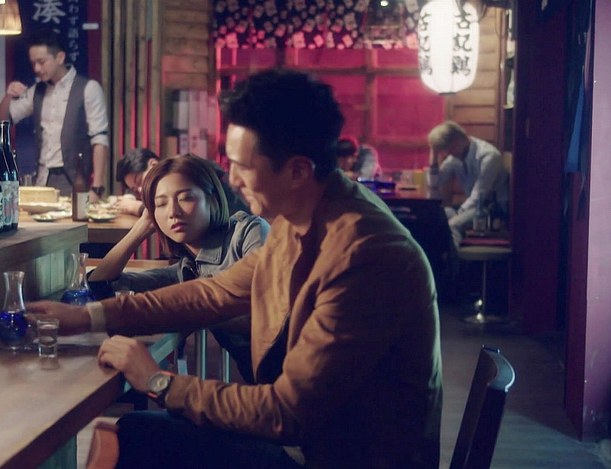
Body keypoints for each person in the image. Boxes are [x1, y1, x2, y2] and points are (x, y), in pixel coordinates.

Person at [27, 69, 442, 468]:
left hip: (334, 458)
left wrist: (159, 382)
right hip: (308, 444)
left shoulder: (365, 256)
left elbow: (286, 412)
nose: (234, 180)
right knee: (136, 432)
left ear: (297, 171)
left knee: (137, 438)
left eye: (243, 166)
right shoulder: (304, 216)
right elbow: (216, 291)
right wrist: (89, 317)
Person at [88, 154, 269, 383]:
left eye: (186, 198)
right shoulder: (185, 271)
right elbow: (99, 283)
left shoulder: (249, 232)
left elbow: (262, 314)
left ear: (212, 199)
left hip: (291, 381)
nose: (173, 212)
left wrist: (182, 311)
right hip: (261, 386)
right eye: (161, 204)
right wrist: (141, 228)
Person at [0, 32, 109, 202]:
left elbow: (99, 138)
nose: (37, 69)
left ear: (60, 57)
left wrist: (97, 187)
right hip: (42, 179)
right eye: (33, 63)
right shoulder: (37, 90)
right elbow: (2, 122)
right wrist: (8, 96)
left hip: (74, 179)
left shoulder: (89, 88)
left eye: (41, 62)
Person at [427, 121, 509, 246]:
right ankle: (438, 256)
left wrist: (458, 214)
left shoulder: (488, 156)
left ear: (458, 140)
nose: (447, 153)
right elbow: (436, 184)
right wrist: (433, 155)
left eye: (448, 148)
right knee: (435, 216)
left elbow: (479, 195)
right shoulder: (455, 157)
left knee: (453, 224)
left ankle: (454, 258)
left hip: (492, 210)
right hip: (472, 207)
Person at [114, 148, 249, 216]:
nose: (140, 189)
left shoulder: (181, 172)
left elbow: (177, 211)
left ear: (153, 164)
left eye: (139, 181)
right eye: (135, 189)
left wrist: (137, 208)